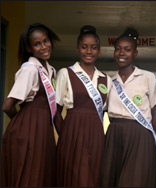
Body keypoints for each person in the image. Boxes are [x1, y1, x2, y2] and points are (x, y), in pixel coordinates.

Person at [1, 23, 60, 187]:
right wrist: (24, 125)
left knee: (41, 175)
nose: (44, 47)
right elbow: (7, 106)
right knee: (29, 175)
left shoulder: (51, 71)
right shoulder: (30, 69)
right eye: (37, 44)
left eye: (46, 41)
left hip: (43, 130)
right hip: (29, 130)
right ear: (28, 48)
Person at [100, 27, 156, 187]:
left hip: (140, 134)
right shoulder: (109, 81)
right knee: (112, 178)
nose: (121, 53)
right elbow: (103, 111)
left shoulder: (147, 77)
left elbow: (155, 110)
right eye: (118, 49)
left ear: (135, 53)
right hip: (115, 134)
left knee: (134, 179)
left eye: (127, 50)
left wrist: (149, 139)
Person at [54, 25, 111, 187]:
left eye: (93, 48)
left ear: (99, 50)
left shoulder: (105, 79)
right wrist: (65, 135)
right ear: (78, 48)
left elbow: (108, 114)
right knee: (72, 175)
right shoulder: (66, 73)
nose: (89, 51)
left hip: (96, 135)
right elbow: (56, 112)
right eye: (84, 47)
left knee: (93, 174)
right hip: (72, 132)